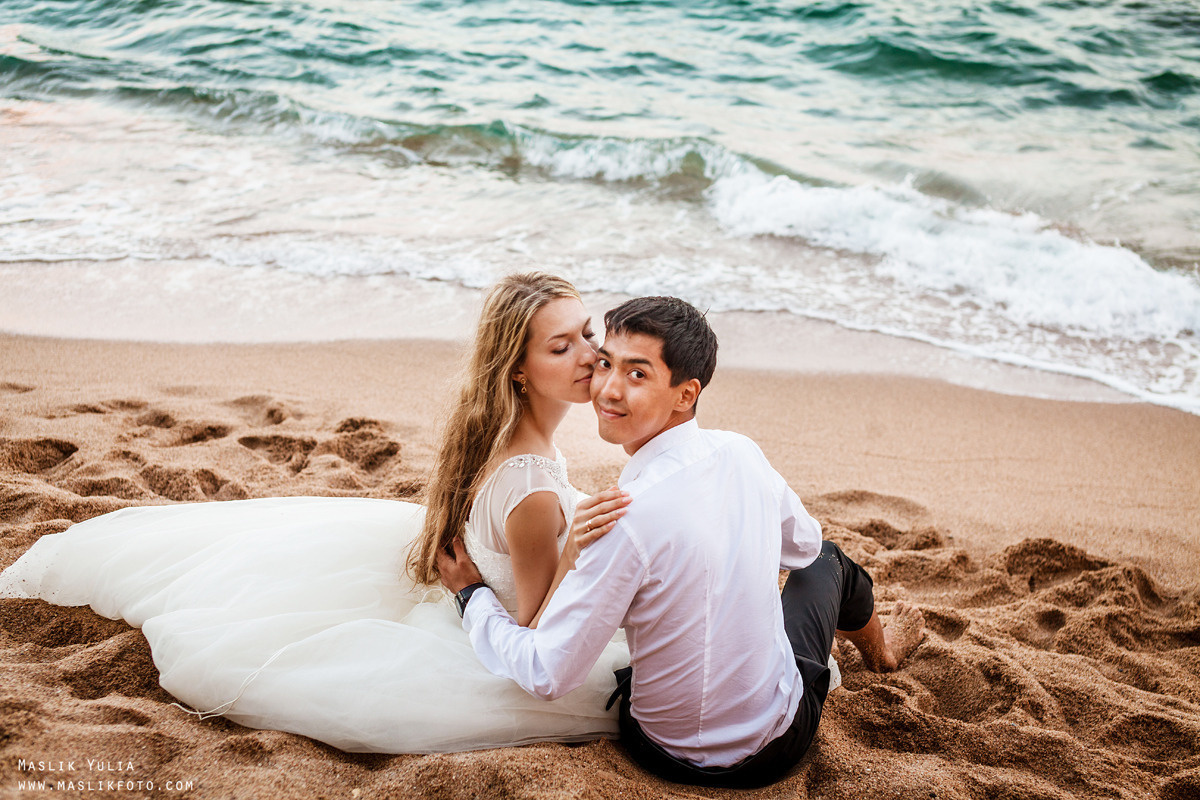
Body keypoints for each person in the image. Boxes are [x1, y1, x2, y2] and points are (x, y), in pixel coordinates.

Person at [0, 272, 632, 753]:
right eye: (561, 347)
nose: (589, 354)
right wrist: (573, 549)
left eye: (587, 333)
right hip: (484, 631)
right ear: (518, 371)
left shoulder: (502, 438)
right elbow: (529, 632)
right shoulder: (534, 486)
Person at [438, 295, 926, 787]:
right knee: (828, 560)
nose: (607, 388)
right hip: (777, 748)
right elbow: (802, 549)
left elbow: (546, 673)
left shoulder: (622, 517)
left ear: (685, 394)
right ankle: (881, 651)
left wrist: (471, 597)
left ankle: (880, 652)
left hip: (658, 749)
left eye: (637, 374)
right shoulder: (739, 454)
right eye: (606, 363)